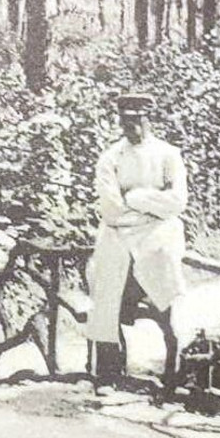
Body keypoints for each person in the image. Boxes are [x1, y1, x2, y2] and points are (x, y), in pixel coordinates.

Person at [85, 93, 188, 390]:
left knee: (162, 275)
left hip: (158, 233)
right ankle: (108, 373)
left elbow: (178, 201)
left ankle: (173, 372)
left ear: (149, 119)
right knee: (107, 289)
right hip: (118, 234)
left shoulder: (169, 155)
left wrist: (137, 198)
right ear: (119, 121)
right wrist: (149, 209)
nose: (133, 128)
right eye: (127, 121)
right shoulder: (110, 158)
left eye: (139, 121)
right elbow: (111, 210)